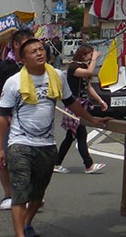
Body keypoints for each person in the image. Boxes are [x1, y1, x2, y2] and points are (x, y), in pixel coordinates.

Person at [0, 37, 110, 237]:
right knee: (20, 194)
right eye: (33, 51)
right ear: (22, 59)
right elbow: (4, 117)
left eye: (41, 49)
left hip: (47, 145)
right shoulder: (13, 83)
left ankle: (27, 224)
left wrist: (92, 119)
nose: (39, 53)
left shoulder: (56, 76)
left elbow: (70, 102)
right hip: (19, 144)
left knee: (38, 194)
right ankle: (20, 234)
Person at [0, 29, 31, 210]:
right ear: (16, 45)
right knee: (4, 157)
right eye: (28, 44)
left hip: (31, 121)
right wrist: (3, 113)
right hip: (8, 120)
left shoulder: (37, 68)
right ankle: (8, 195)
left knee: (30, 159)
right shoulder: (4, 67)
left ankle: (29, 194)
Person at [53, 45, 108, 175]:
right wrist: (95, 58)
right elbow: (90, 73)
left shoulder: (82, 67)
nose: (90, 58)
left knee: (71, 136)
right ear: (82, 55)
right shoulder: (73, 67)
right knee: (80, 135)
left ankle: (56, 163)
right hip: (74, 105)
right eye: (89, 55)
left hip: (81, 105)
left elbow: (88, 87)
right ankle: (89, 164)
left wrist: (100, 101)